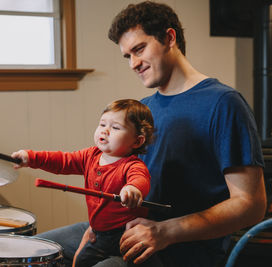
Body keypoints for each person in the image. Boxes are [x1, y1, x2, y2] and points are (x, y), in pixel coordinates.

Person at [105, 1, 267, 267]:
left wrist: (165, 231)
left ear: (170, 38)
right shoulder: (144, 108)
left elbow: (251, 205)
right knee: (48, 247)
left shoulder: (223, 103)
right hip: (132, 231)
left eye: (139, 49)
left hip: (182, 250)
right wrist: (102, 223)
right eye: (127, 56)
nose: (133, 63)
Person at [12, 99, 155, 267]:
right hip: (98, 235)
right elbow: (63, 161)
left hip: (124, 238)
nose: (106, 131)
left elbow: (140, 179)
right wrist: (31, 158)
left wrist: (133, 189)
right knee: (79, 262)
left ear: (137, 141)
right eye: (102, 124)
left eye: (115, 127)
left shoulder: (132, 165)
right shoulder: (90, 155)